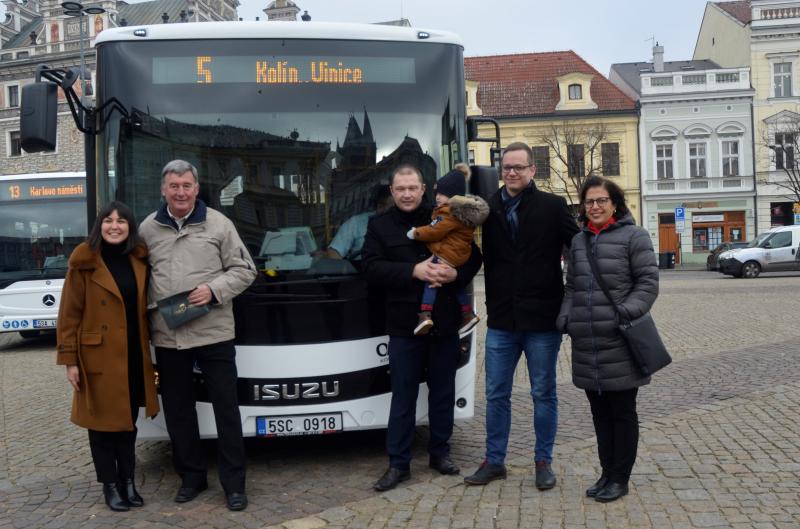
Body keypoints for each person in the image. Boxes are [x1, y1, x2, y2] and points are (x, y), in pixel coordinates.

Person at [139, 160, 257, 511]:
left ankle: (234, 485)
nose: (180, 192)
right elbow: (137, 279)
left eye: (186, 185)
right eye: (174, 186)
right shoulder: (147, 229)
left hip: (214, 333)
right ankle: (191, 477)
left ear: (196, 189)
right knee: (178, 411)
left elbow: (245, 269)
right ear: (163, 189)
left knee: (226, 409)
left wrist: (214, 289)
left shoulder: (219, 224)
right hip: (168, 336)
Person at [464, 142, 579, 489]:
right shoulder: (487, 209)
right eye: (506, 167)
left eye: (519, 167)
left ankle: (543, 461)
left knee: (543, 393)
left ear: (532, 170)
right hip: (502, 318)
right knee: (496, 393)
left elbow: (580, 249)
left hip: (543, 319)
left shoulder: (553, 206)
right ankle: (494, 460)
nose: (512, 172)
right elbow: (473, 254)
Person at [362, 164, 483, 492]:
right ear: (392, 191)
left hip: (444, 322)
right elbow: (371, 268)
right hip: (403, 326)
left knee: (443, 391)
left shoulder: (445, 214)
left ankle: (440, 453)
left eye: (412, 188)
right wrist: (412, 271)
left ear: (423, 189)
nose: (406, 194)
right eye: (400, 189)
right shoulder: (379, 226)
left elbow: (473, 255)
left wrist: (457, 275)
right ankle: (398, 464)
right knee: (403, 396)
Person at [556, 176, 659, 503]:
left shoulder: (635, 236)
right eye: (589, 202)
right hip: (587, 342)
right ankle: (606, 472)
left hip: (620, 339)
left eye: (601, 201)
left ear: (615, 203)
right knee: (599, 413)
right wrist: (565, 316)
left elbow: (647, 283)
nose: (595, 207)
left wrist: (623, 313)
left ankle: (620, 478)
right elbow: (571, 286)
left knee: (622, 411)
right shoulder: (579, 242)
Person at [56, 201, 159, 512]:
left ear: (131, 227)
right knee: (101, 426)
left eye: (122, 221)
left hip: (131, 355)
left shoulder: (139, 260)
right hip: (97, 357)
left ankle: (129, 482)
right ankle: (110, 486)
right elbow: (69, 315)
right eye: (108, 221)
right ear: (99, 226)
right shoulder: (84, 263)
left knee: (128, 423)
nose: (115, 226)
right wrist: (70, 360)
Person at [406, 163, 489, 336]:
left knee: (431, 279)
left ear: (453, 196)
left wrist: (416, 233)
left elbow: (434, 231)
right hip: (458, 255)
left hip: (447, 255)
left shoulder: (447, 212)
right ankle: (467, 313)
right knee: (454, 285)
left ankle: (425, 314)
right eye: (437, 193)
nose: (437, 197)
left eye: (442, 194)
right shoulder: (462, 212)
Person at [327, 184, 393, 261]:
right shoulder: (356, 223)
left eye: (391, 207)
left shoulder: (407, 225)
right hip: (361, 270)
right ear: (376, 206)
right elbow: (334, 252)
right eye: (381, 205)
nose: (385, 211)